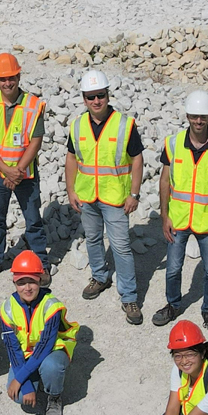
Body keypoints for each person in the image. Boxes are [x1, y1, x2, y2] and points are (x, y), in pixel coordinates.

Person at [64, 68, 146, 325]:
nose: (96, 101)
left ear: (108, 95)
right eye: (90, 97)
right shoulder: (77, 125)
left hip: (116, 199)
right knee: (93, 239)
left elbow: (137, 159)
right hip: (88, 196)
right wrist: (71, 190)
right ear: (84, 98)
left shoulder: (124, 124)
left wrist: (134, 193)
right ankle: (99, 277)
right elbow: (71, 158)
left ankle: (129, 296)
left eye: (100, 95)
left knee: (121, 247)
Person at [152, 91, 208, 335]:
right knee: (173, 269)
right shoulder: (174, 143)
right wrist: (164, 216)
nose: (199, 121)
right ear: (187, 115)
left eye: (203, 116)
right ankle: (173, 305)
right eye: (195, 116)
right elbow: (165, 181)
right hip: (177, 219)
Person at [0, 52, 47, 284]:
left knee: (33, 219)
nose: (8, 83)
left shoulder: (33, 105)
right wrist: (6, 170)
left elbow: (36, 141)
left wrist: (17, 170)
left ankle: (41, 264)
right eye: (3, 79)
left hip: (26, 175)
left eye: (12, 77)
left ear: (19, 76)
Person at [0, 251, 79, 415]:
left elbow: (45, 345)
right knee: (20, 396)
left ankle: (54, 396)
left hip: (53, 350)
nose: (27, 287)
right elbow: (12, 349)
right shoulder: (7, 308)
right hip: (26, 353)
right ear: (14, 282)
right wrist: (26, 387)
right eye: (21, 282)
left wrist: (20, 379)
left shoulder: (52, 305)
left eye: (31, 281)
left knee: (51, 367)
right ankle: (35, 377)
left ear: (40, 280)